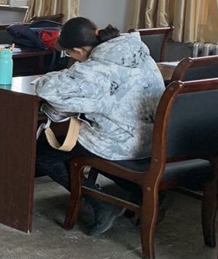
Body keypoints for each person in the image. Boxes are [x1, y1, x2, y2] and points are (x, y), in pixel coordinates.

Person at [32, 18, 165, 237]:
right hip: (155, 139)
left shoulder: (96, 69)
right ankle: (141, 191)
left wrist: (53, 76)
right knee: (80, 145)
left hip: (124, 142)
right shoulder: (136, 50)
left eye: (69, 54)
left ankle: (100, 203)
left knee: (45, 153)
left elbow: (48, 89)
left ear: (79, 50)